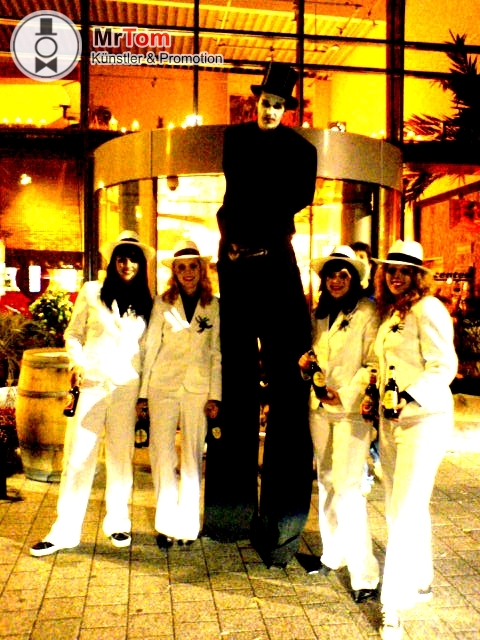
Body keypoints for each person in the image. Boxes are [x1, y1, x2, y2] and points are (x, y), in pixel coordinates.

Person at [203, 61, 318, 568]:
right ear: (256, 103)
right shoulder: (236, 139)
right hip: (237, 265)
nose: (270, 111)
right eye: (265, 103)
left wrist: (250, 220)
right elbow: (242, 197)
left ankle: (281, 524)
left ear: (288, 109)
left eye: (278, 105)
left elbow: (286, 202)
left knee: (289, 384)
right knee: (236, 379)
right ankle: (230, 515)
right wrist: (233, 241)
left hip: (275, 265)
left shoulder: (302, 151)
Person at [30, 230, 154, 556]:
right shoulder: (92, 291)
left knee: (121, 458)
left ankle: (118, 523)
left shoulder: (147, 303)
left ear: (141, 265)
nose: (127, 265)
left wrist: (144, 395)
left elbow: (148, 352)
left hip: (127, 389)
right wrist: (77, 363)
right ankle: (64, 531)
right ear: (113, 262)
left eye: (134, 260)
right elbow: (73, 334)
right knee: (77, 458)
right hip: (92, 386)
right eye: (121, 258)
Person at [373, 240, 458, 640]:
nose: (395, 276)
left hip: (424, 421)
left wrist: (407, 396)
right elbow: (383, 364)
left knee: (404, 509)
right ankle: (420, 578)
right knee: (400, 506)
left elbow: (444, 365)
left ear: (417, 276)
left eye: (403, 271)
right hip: (392, 422)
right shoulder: (393, 312)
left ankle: (393, 605)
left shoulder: (429, 309)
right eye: (390, 270)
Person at [298, 246, 380, 602]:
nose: (335, 280)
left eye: (343, 275)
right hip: (319, 409)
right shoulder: (320, 314)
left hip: (350, 411)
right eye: (330, 274)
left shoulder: (367, 312)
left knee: (348, 488)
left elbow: (374, 363)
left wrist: (345, 394)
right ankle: (333, 554)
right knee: (327, 481)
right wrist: (306, 368)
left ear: (354, 279)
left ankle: (365, 576)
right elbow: (318, 360)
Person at [138, 239, 221, 548]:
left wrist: (215, 394)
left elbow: (217, 353)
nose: (188, 272)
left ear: (201, 269)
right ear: (174, 272)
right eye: (182, 267)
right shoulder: (162, 303)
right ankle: (166, 524)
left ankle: (187, 525)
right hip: (163, 386)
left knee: (192, 457)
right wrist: (143, 394)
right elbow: (150, 347)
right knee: (162, 453)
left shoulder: (214, 305)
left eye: (193, 266)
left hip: (198, 389)